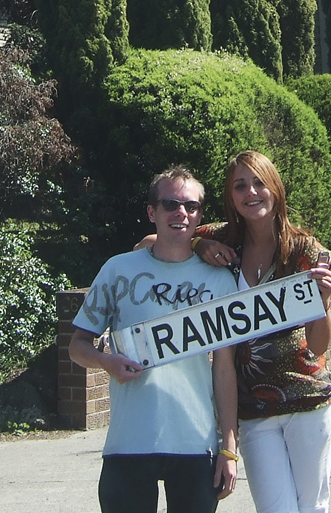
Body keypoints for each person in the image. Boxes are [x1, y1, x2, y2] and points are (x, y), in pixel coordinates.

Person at [142, 150, 331, 513]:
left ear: (275, 188)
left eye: (259, 183)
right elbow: (147, 244)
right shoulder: (223, 239)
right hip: (253, 410)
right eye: (240, 186)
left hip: (308, 401)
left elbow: (318, 346)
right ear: (230, 196)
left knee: (312, 508)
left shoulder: (305, 250)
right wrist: (199, 243)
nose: (251, 192)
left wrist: (323, 303)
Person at [70, 166, 240, 513]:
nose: (181, 213)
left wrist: (229, 448)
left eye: (191, 206)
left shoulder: (220, 281)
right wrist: (105, 361)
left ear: (199, 216)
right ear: (152, 212)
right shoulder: (118, 270)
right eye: (170, 204)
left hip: (195, 442)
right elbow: (77, 346)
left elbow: (224, 369)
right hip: (129, 442)